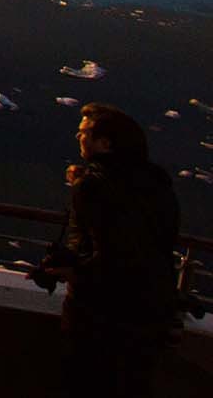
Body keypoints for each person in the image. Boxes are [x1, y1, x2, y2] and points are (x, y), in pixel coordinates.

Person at [34, 104, 181, 398]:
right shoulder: (157, 183)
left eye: (86, 132)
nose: (79, 136)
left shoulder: (93, 186)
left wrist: (72, 270)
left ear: (106, 143)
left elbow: (110, 254)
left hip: (99, 315)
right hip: (149, 312)